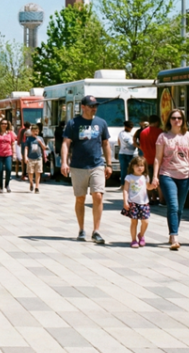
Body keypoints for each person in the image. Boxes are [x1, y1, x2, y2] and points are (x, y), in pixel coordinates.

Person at [148, 108, 189, 251]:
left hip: (185, 175)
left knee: (179, 208)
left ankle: (173, 232)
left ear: (183, 120)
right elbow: (157, 158)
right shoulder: (163, 137)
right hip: (167, 174)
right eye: (173, 118)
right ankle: (174, 236)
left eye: (179, 118)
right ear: (169, 120)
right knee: (172, 205)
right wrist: (155, 176)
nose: (176, 120)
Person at [60, 95, 112, 245]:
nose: (93, 108)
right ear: (83, 107)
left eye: (95, 106)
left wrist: (109, 164)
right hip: (78, 166)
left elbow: (106, 144)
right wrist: (64, 162)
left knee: (98, 196)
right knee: (80, 198)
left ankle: (96, 231)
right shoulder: (73, 123)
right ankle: (81, 229)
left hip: (97, 164)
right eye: (90, 106)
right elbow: (65, 143)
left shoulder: (101, 123)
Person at [120, 156, 150, 248]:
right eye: (137, 165)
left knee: (145, 222)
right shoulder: (129, 177)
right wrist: (125, 202)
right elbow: (125, 190)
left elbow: (148, 187)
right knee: (134, 222)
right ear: (132, 166)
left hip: (144, 203)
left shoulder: (145, 177)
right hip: (132, 202)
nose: (140, 168)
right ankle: (133, 240)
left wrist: (153, 186)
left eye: (142, 165)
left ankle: (141, 235)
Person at [138, 115, 163, 205]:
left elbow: (141, 145)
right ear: (157, 122)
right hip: (158, 160)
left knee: (147, 180)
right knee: (159, 181)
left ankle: (147, 200)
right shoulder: (160, 132)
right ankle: (162, 200)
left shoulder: (143, 132)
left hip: (146, 159)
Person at [0, 120, 17, 193]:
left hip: (8, 153)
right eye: (2, 123)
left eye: (5, 124)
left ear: (7, 125)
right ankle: (1, 186)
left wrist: (14, 153)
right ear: (0, 124)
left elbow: (13, 143)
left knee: (9, 169)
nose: (4, 125)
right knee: (0, 170)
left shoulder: (10, 133)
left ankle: (7, 184)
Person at [22, 124, 47, 193]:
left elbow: (44, 148)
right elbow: (26, 148)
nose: (35, 132)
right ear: (31, 131)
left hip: (38, 158)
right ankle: (31, 183)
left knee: (38, 173)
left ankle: (37, 187)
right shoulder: (29, 139)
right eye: (34, 131)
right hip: (30, 158)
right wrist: (25, 157)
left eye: (37, 131)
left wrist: (40, 142)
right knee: (30, 173)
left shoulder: (40, 138)